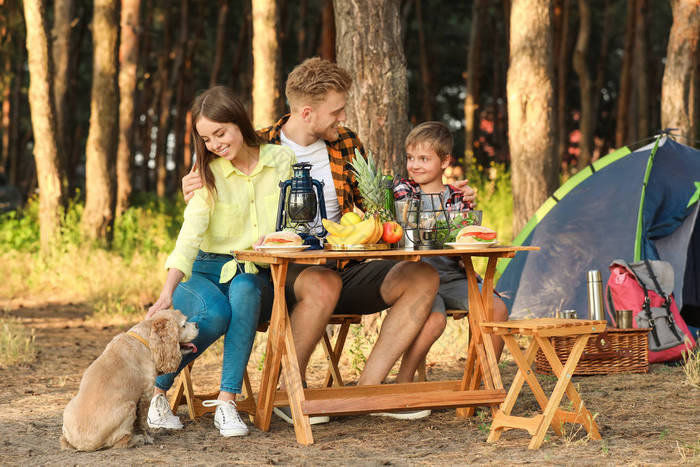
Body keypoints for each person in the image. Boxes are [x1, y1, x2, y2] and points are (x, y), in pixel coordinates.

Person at [182, 58, 476, 423]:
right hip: (276, 277)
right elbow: (216, 189)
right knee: (322, 283)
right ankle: (290, 390)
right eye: (335, 111)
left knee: (421, 278)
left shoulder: (346, 144)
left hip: (343, 269)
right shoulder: (258, 145)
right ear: (308, 112)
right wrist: (191, 188)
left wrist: (441, 194)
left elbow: (381, 206)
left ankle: (366, 393)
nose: (341, 118)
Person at [144, 86, 301, 437]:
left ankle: (226, 403)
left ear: (239, 123)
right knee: (215, 314)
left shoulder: (280, 160)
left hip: (256, 270)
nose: (215, 143)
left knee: (245, 290)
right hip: (206, 270)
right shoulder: (206, 173)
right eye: (207, 138)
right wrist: (167, 292)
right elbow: (189, 235)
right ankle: (154, 392)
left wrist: (276, 238)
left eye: (221, 132)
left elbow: (293, 222)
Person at [392, 121, 509, 387]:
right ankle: (403, 381)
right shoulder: (405, 190)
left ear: (445, 161)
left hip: (454, 276)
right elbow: (408, 212)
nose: (415, 165)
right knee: (434, 321)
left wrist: (462, 202)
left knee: (498, 308)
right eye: (411, 158)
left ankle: (480, 383)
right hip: (418, 279)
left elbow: (464, 236)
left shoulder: (456, 197)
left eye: (424, 158)